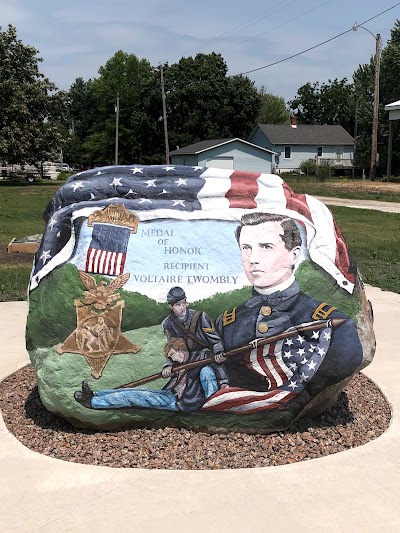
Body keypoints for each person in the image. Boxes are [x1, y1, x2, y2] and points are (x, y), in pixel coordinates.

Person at [215, 212, 363, 395]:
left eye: (266, 247)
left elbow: (342, 363)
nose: (253, 258)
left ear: (294, 255)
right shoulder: (227, 323)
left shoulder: (332, 323)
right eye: (246, 248)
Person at [74, 337, 229, 412]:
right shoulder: (177, 364)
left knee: (134, 397)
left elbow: (217, 366)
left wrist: (223, 382)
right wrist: (168, 368)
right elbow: (170, 368)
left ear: (181, 349)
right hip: (170, 394)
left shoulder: (203, 356)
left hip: (183, 402)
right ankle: (94, 394)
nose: (172, 358)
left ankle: (93, 403)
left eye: (173, 354)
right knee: (132, 392)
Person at [162, 286, 226, 364]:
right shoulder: (167, 323)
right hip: (186, 360)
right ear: (171, 306)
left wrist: (218, 352)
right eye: (178, 305)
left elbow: (215, 340)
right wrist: (168, 365)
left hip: (206, 356)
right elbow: (171, 347)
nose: (183, 307)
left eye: (184, 302)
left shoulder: (200, 316)